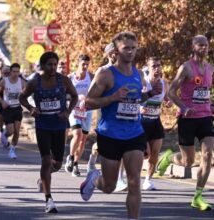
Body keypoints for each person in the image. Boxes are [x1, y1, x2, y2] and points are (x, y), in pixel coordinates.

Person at [80, 32, 161, 219]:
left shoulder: (139, 74)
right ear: (116, 51)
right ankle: (94, 179)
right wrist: (112, 98)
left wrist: (148, 95)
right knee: (109, 186)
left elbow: (135, 100)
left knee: (134, 183)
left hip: (134, 133)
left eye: (134, 48)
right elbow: (89, 102)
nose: (131, 52)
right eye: (126, 48)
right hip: (110, 134)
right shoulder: (105, 74)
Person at [158, 35, 213, 211]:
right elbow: (172, 92)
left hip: (205, 117)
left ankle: (198, 196)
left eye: (206, 45)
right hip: (188, 119)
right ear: (193, 46)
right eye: (200, 45)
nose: (204, 48)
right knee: (188, 162)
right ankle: (170, 157)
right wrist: (183, 107)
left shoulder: (210, 68)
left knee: (207, 154)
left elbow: (204, 93)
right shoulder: (186, 68)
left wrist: (210, 106)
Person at [19, 51, 78, 213]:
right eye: (49, 64)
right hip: (43, 125)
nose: (52, 67)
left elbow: (74, 96)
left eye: (55, 64)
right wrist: (31, 108)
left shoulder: (63, 80)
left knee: (57, 164)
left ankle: (43, 179)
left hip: (59, 125)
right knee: (46, 160)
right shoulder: (34, 82)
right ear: (43, 65)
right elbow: (22, 97)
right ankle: (49, 199)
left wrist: (68, 112)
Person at [85, 42, 128, 192]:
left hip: (125, 118)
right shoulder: (103, 71)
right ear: (111, 54)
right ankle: (93, 161)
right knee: (101, 147)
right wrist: (110, 98)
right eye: (117, 52)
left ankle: (121, 178)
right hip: (107, 115)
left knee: (124, 148)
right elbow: (90, 99)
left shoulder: (126, 71)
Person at [141, 57, 172, 190]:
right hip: (142, 121)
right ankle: (126, 173)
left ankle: (148, 180)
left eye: (159, 65)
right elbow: (135, 99)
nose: (157, 68)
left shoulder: (164, 84)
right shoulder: (144, 83)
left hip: (155, 121)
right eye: (154, 66)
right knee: (146, 153)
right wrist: (140, 108)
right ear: (148, 68)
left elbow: (167, 99)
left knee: (154, 153)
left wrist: (168, 102)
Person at [64, 54, 93, 177]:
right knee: (77, 133)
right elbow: (64, 94)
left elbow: (97, 91)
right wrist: (74, 97)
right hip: (74, 109)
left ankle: (75, 164)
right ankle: (70, 157)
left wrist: (87, 99)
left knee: (83, 140)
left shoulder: (91, 77)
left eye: (87, 64)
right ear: (78, 63)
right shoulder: (70, 78)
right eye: (83, 64)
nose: (85, 66)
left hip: (87, 110)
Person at [0, 63, 26, 159]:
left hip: (17, 108)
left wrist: (24, 97)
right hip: (7, 108)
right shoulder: (4, 81)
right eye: (14, 71)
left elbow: (27, 92)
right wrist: (2, 101)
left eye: (17, 71)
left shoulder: (22, 82)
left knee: (17, 131)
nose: (16, 73)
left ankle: (12, 150)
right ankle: (4, 134)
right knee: (11, 131)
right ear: (10, 72)